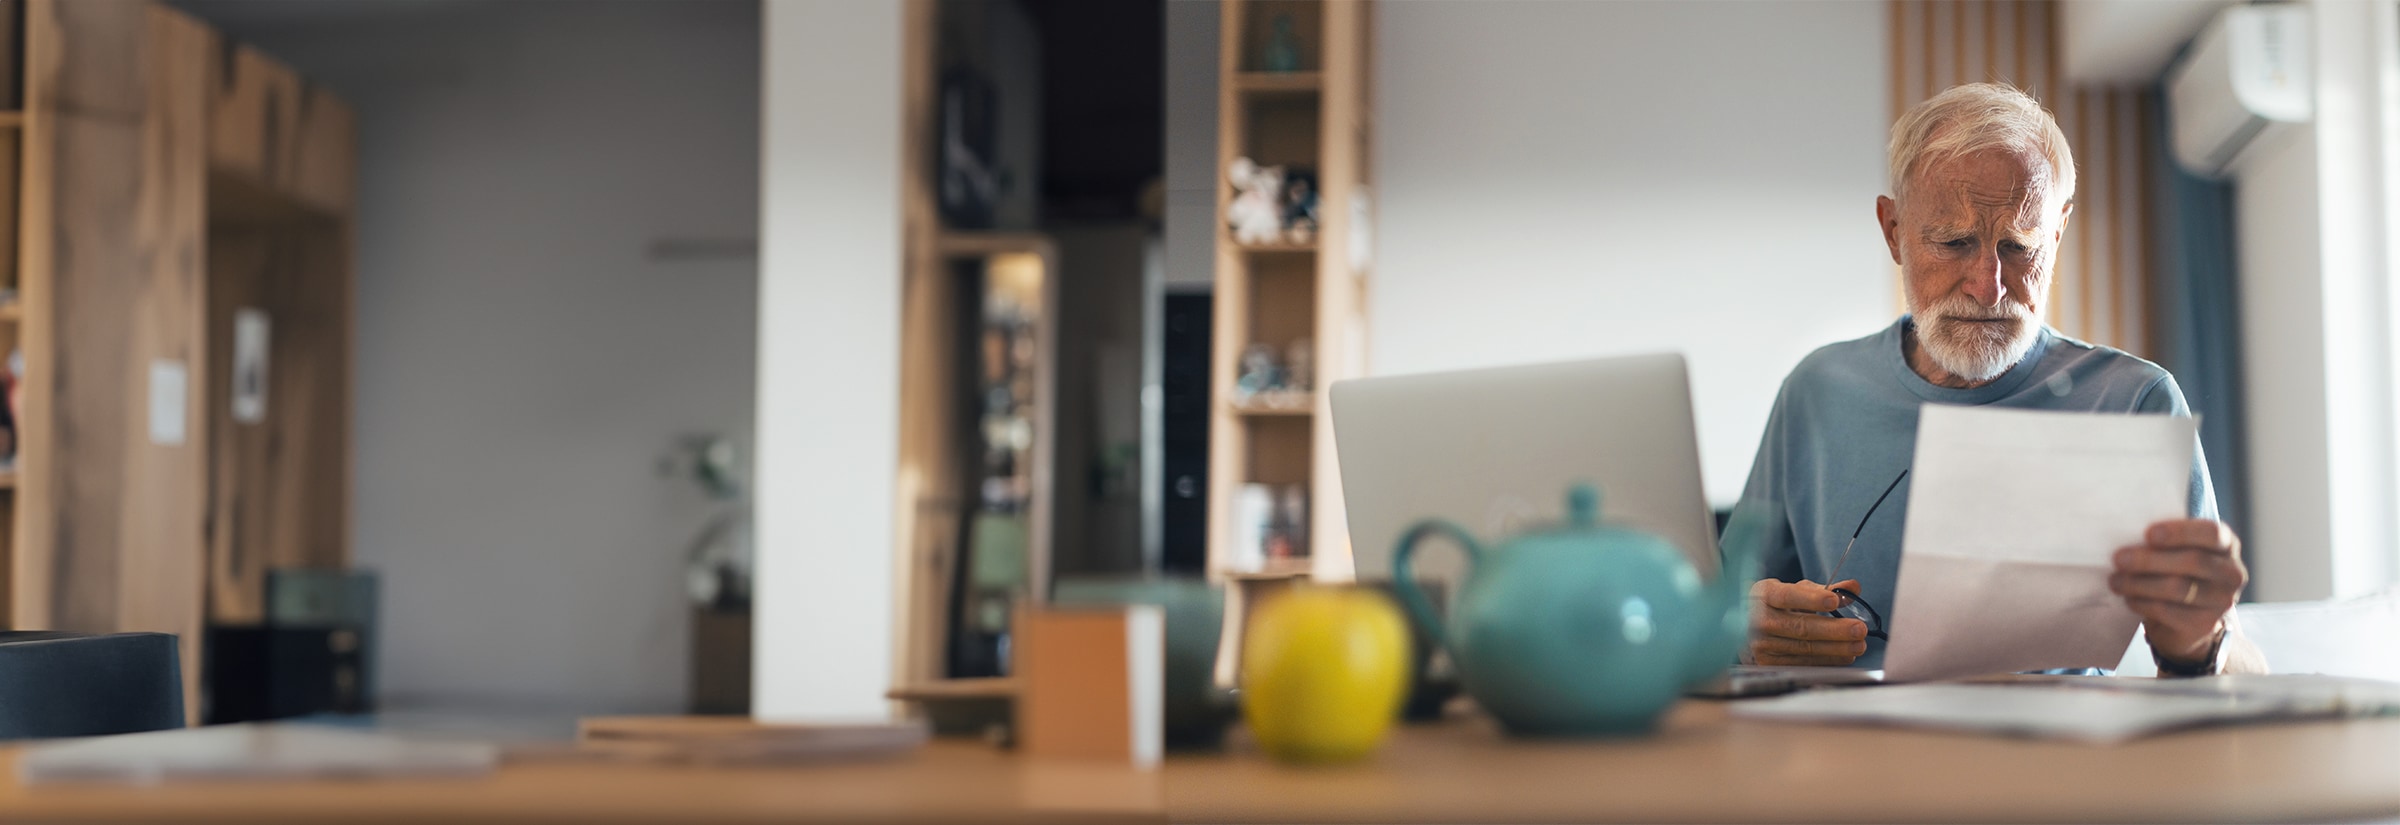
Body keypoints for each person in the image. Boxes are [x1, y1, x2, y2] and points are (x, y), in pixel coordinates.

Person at [1736, 82, 2263, 676]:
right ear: (1893, 231)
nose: (1988, 287)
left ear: (2057, 234)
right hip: (1850, 756)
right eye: (1954, 242)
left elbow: (2242, 671)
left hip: (2057, 759)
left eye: (2019, 246)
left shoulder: (2132, 402)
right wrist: (1741, 631)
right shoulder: (1817, 392)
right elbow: (1712, 620)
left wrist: (2197, 645)